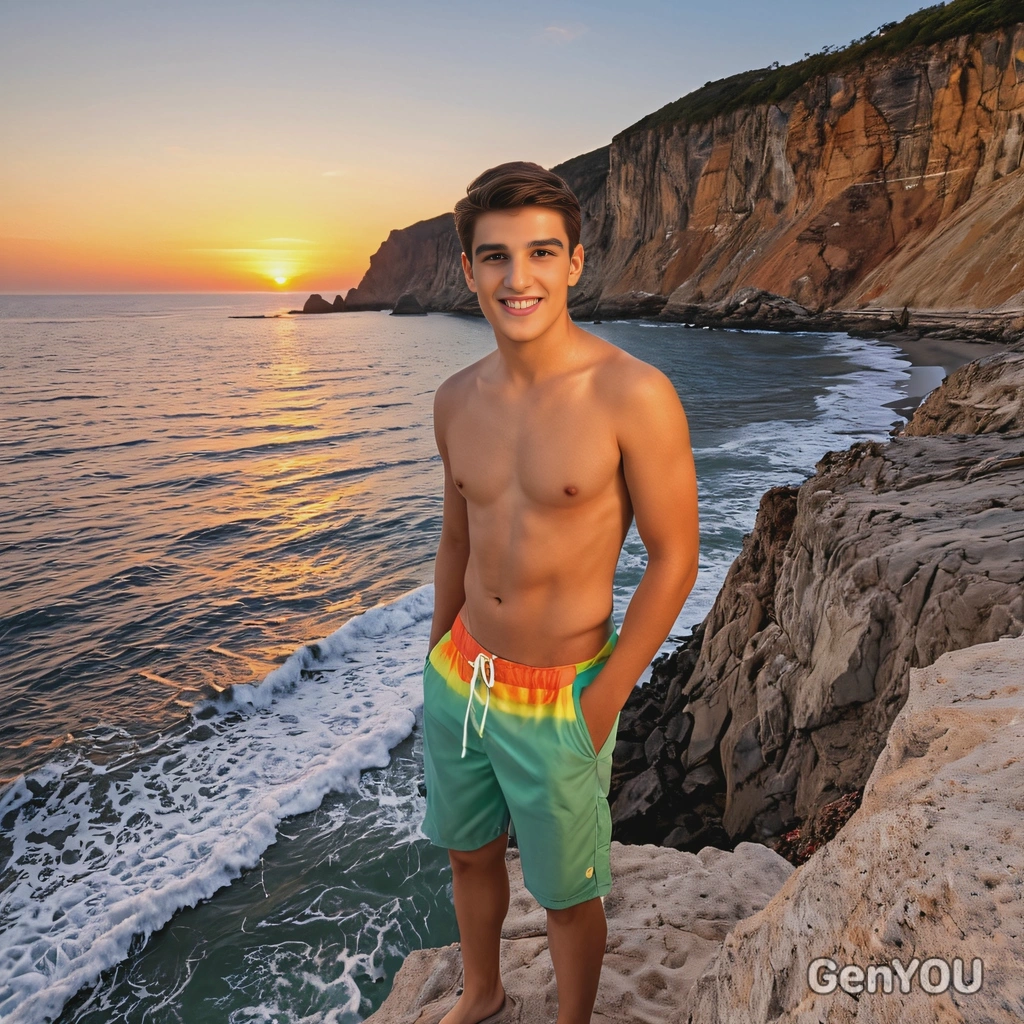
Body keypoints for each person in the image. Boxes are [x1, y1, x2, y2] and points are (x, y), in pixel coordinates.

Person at [420, 160, 699, 1024]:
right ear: (468, 270)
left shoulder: (634, 394)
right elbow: (456, 542)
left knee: (567, 895)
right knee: (469, 857)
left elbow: (675, 554)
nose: (519, 277)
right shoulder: (454, 400)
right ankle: (483, 991)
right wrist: (434, 659)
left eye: (541, 252)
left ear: (575, 263)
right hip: (463, 678)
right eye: (495, 257)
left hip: (564, 695)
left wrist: (604, 700)